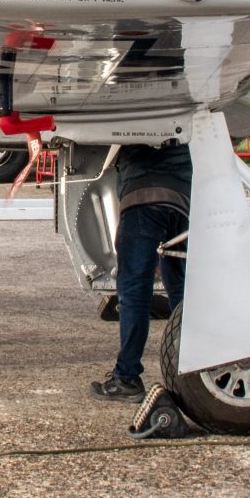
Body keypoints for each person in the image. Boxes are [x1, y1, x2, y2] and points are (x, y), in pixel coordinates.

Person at [91, 141, 190, 400]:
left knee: (135, 292)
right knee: (181, 288)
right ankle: (194, 369)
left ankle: (126, 378)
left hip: (142, 197)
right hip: (182, 200)